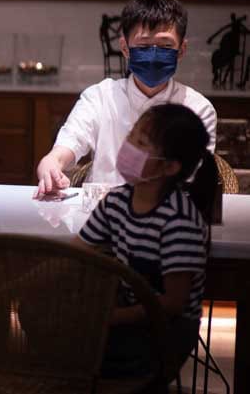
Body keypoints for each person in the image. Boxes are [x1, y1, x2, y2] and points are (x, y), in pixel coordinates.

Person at [75, 104, 214, 386]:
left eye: (140, 143)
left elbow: (173, 303)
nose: (128, 147)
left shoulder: (178, 220)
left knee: (73, 356)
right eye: (131, 137)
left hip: (163, 333)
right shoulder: (116, 201)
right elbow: (76, 253)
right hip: (128, 318)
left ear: (169, 167)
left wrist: (109, 318)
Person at [35, 0, 217, 197]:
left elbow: (195, 179)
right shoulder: (100, 97)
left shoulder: (198, 108)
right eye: (143, 46)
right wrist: (51, 165)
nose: (154, 55)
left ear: (181, 50)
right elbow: (66, 146)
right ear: (125, 48)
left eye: (166, 46)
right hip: (101, 211)